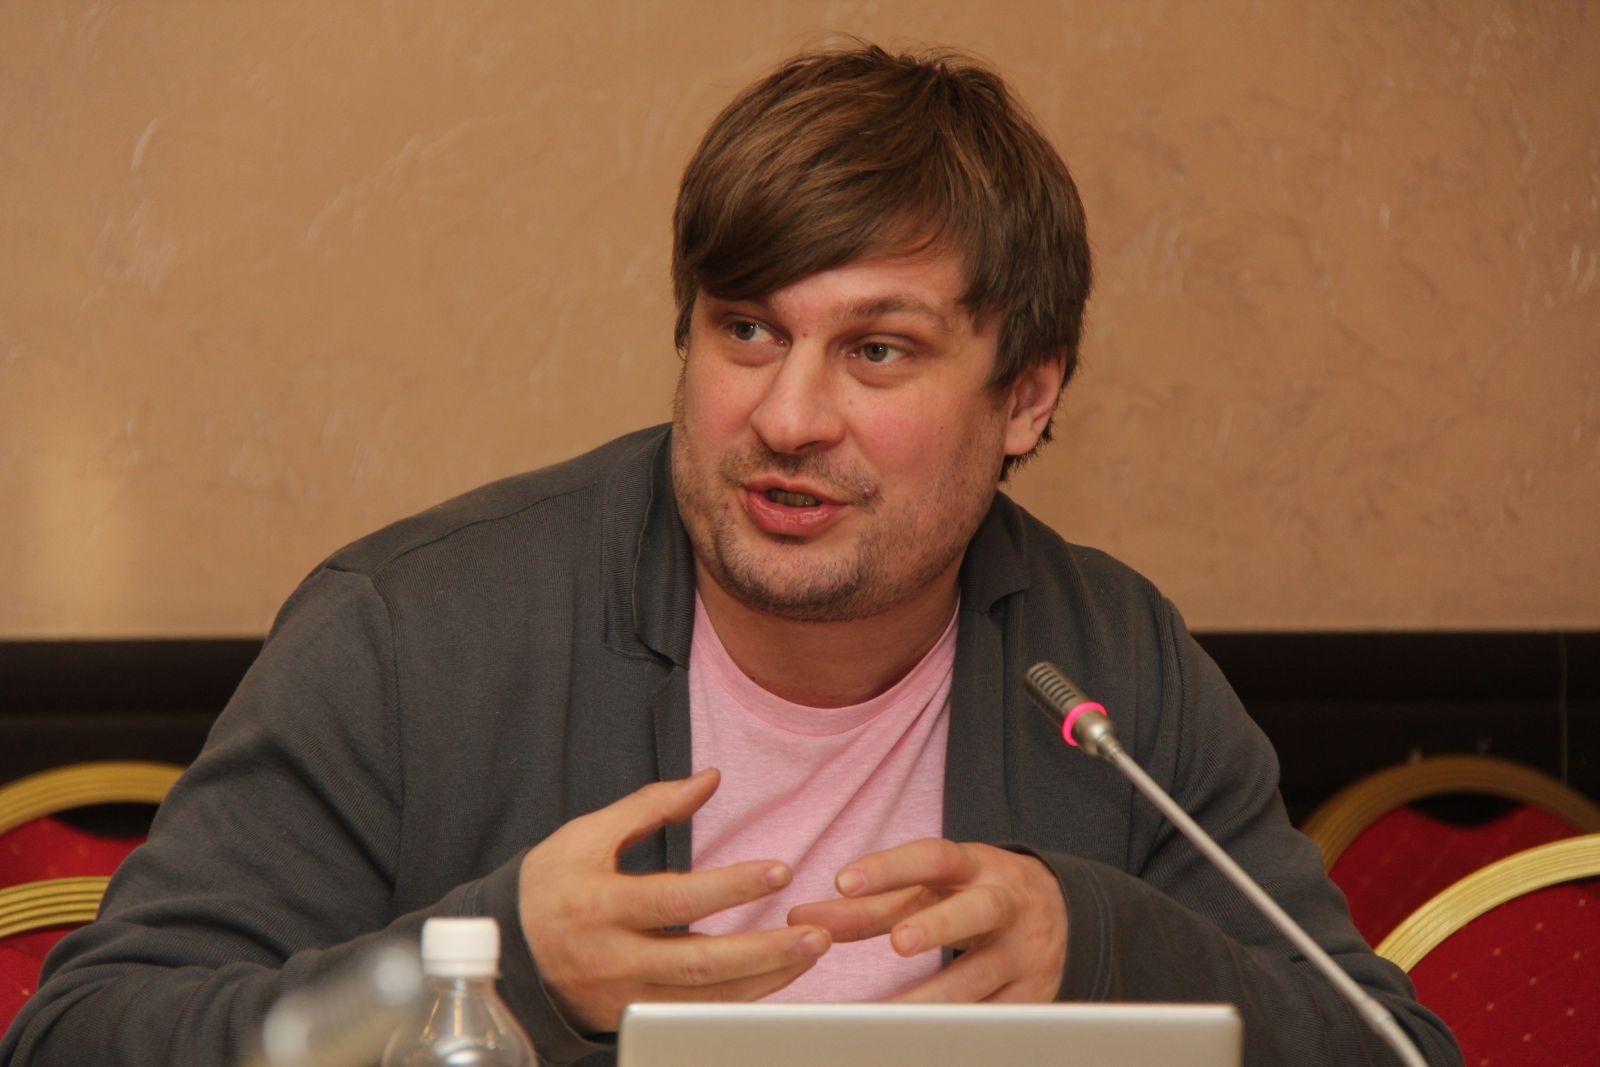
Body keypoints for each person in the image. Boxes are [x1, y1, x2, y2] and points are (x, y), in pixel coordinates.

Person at [2, 44, 1460, 1067]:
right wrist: (502, 967)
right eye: (747, 330)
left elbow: (1395, 1052)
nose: (787, 416)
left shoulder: (1110, 664)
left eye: (878, 351)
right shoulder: (407, 635)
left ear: (1026, 397)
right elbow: (84, 1039)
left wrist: (1105, 946)